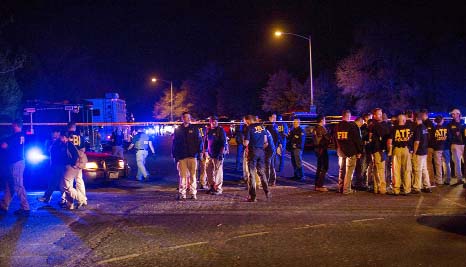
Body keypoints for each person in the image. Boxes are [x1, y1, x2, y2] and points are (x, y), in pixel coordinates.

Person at [0, 121, 30, 215]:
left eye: (13, 125)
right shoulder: (22, 135)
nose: (12, 126)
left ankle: (25, 208)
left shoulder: (14, 136)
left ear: (16, 126)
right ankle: (4, 204)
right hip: (18, 162)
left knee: (18, 185)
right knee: (11, 184)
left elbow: (5, 145)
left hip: (16, 162)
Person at [172, 112, 203, 200]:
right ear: (182, 118)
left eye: (189, 117)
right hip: (182, 156)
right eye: (186, 117)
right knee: (182, 176)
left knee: (193, 176)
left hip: (192, 156)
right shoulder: (178, 130)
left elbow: (199, 141)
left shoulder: (195, 129)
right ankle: (182, 193)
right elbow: (175, 143)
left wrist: (200, 152)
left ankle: (193, 193)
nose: (188, 119)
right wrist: (175, 155)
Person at [334, 110, 362, 194]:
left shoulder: (337, 126)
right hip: (350, 151)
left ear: (342, 116)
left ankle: (340, 187)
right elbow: (357, 140)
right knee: (349, 171)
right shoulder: (351, 126)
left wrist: (337, 148)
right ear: (349, 116)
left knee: (342, 170)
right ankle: (346, 189)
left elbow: (334, 139)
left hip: (340, 151)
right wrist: (359, 151)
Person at [243, 115, 271, 202]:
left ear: (248, 120)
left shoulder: (249, 128)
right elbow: (266, 142)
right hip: (261, 152)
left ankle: (253, 196)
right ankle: (267, 192)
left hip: (252, 152)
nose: (244, 123)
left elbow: (246, 143)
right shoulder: (262, 127)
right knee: (262, 173)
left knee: (251, 174)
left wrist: (243, 141)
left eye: (245, 121)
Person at [387, 113, 413, 195]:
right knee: (406, 170)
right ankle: (407, 189)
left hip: (396, 150)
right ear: (404, 120)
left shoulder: (393, 128)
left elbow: (390, 141)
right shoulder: (409, 128)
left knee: (396, 170)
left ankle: (396, 189)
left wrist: (389, 151)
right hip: (406, 149)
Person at [60, 131, 87, 209]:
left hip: (71, 167)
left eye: (61, 138)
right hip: (75, 166)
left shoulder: (69, 145)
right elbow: (83, 148)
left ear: (65, 137)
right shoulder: (76, 139)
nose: (61, 139)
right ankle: (70, 204)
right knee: (76, 182)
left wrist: (73, 164)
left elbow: (74, 156)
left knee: (67, 187)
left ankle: (81, 199)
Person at [38, 128, 64, 204]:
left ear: (58, 133)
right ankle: (48, 197)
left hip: (59, 164)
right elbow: (47, 151)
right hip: (53, 164)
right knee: (55, 181)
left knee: (58, 182)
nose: (53, 135)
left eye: (54, 133)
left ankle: (48, 197)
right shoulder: (50, 142)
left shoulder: (61, 141)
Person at [368, 108, 390, 194]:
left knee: (376, 168)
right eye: (378, 114)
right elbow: (384, 134)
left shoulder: (371, 125)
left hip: (374, 149)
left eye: (381, 114)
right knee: (381, 168)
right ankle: (382, 188)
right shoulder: (376, 125)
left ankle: (377, 187)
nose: (380, 116)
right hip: (379, 149)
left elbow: (370, 137)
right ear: (374, 115)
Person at [205, 116, 227, 195]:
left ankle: (218, 189)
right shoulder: (208, 130)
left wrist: (221, 153)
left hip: (218, 154)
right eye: (212, 121)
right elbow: (206, 142)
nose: (214, 122)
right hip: (210, 154)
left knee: (218, 172)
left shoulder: (220, 130)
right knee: (208, 171)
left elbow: (223, 142)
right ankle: (211, 186)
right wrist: (205, 151)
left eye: (215, 121)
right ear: (210, 122)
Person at [67, 122, 87, 206]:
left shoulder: (67, 136)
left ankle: (70, 202)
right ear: (75, 127)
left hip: (71, 161)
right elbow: (83, 149)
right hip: (80, 161)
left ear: (68, 127)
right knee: (79, 180)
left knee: (69, 182)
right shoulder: (80, 136)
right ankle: (83, 198)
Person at [412, 115, 432, 193]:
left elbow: (417, 142)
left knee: (418, 170)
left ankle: (417, 187)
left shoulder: (418, 128)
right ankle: (427, 186)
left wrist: (414, 152)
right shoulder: (424, 127)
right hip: (424, 150)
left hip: (419, 151)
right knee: (424, 169)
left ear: (416, 119)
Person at [432, 115, 451, 185]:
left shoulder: (434, 129)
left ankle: (439, 180)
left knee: (438, 165)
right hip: (445, 147)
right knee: (447, 164)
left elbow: (432, 139)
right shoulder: (446, 128)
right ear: (442, 120)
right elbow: (449, 138)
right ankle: (448, 179)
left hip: (437, 148)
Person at [313, 115, 330, 192]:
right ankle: (319, 185)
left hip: (317, 149)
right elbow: (326, 139)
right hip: (322, 149)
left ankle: (317, 184)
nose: (325, 121)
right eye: (324, 120)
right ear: (322, 120)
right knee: (324, 167)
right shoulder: (322, 129)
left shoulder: (315, 128)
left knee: (319, 167)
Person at [447, 108, 464, 185]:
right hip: (455, 145)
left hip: (464, 144)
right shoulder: (450, 124)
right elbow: (449, 135)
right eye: (452, 114)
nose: (453, 115)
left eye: (454, 114)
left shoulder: (463, 123)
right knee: (457, 163)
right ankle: (459, 179)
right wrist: (454, 138)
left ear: (458, 114)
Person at [420, 109, 435, 185]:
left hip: (428, 146)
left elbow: (428, 136)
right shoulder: (426, 123)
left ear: (425, 114)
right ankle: (428, 180)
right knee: (426, 164)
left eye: (422, 115)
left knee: (428, 163)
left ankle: (431, 180)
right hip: (427, 146)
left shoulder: (428, 123)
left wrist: (425, 144)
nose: (421, 116)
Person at [265, 114, 280, 186]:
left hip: (272, 148)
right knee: (269, 164)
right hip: (267, 148)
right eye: (273, 117)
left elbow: (278, 137)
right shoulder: (268, 126)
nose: (274, 119)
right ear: (269, 118)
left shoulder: (276, 126)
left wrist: (278, 146)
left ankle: (272, 180)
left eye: (275, 118)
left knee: (271, 164)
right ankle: (270, 179)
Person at [197, 123, 208, 189]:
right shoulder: (202, 129)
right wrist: (202, 151)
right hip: (201, 152)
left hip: (197, 152)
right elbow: (202, 140)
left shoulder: (199, 128)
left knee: (199, 169)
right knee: (203, 168)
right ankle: (202, 183)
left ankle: (198, 183)